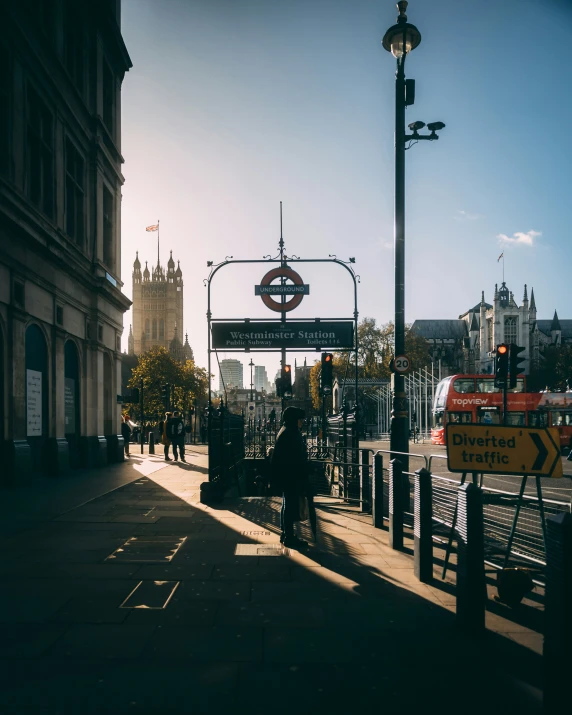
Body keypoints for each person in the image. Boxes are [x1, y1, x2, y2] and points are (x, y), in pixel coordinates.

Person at [270, 406, 310, 549]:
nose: (302, 423)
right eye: (300, 420)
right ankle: (289, 536)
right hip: (290, 476)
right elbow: (296, 458)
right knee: (290, 506)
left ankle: (285, 533)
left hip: (285, 475)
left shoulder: (285, 430)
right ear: (295, 420)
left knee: (287, 504)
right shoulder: (291, 433)